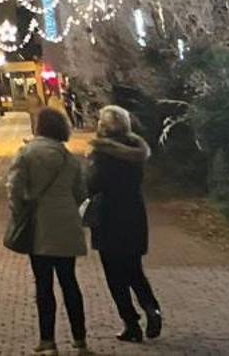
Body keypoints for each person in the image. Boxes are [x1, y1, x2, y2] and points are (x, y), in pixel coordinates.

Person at [8, 105, 90, 354]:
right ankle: (80, 339)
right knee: (70, 282)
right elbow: (81, 193)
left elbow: (14, 188)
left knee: (43, 284)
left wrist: (19, 209)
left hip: (39, 226)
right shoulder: (69, 157)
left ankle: (48, 340)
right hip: (66, 225)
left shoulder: (27, 153)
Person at [87, 104, 162, 342]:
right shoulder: (136, 151)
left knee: (114, 275)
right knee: (134, 269)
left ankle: (131, 323)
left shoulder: (102, 154)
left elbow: (92, 184)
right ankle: (151, 307)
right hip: (134, 213)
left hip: (108, 216)